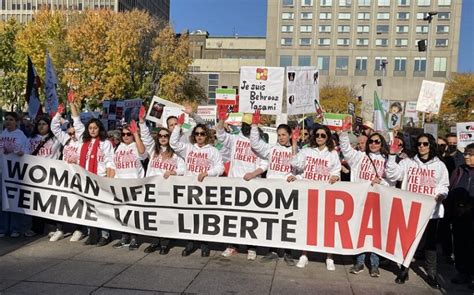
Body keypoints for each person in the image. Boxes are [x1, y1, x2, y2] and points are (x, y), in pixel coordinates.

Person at [386, 133, 449, 288]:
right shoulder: (408, 163)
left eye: (425, 144)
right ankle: (403, 270)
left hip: (430, 212)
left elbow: (444, 185)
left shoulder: (439, 165)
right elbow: (392, 174)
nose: (422, 146)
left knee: (430, 244)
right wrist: (392, 155)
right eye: (419, 144)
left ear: (431, 146)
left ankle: (431, 273)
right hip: (410, 210)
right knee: (407, 241)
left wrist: (441, 195)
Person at [340, 130, 396, 277]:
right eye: (371, 141)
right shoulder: (359, 156)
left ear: (382, 143)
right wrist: (343, 133)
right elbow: (345, 149)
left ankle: (374, 264)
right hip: (361, 200)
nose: (373, 144)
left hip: (378, 200)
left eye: (377, 142)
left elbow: (392, 179)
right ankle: (359, 262)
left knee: (375, 233)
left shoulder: (386, 159)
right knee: (361, 232)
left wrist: (381, 181)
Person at [216, 112, 268, 260]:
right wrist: (221, 120)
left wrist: (253, 173)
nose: (246, 129)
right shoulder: (235, 139)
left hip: (252, 186)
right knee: (233, 217)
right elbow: (220, 135)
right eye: (245, 125)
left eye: (250, 126)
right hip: (234, 185)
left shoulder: (260, 143)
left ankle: (252, 247)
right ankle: (233, 246)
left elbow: (265, 164)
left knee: (250, 218)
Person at [288, 125, 341, 269]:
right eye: (317, 135)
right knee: (306, 225)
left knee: (327, 226)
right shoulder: (307, 151)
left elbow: (336, 172)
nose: (319, 138)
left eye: (323, 135)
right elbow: (296, 164)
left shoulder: (333, 154)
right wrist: (294, 143)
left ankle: (329, 257)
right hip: (308, 194)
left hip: (325, 194)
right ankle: (304, 254)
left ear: (328, 137)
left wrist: (336, 177)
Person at [170, 117, 224, 257]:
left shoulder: (213, 151)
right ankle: (190, 244)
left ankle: (204, 244)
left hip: (205, 190)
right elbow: (173, 143)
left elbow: (220, 168)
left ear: (206, 135)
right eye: (197, 134)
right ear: (194, 136)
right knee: (189, 217)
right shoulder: (188, 148)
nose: (199, 136)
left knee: (203, 218)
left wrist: (208, 173)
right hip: (189, 189)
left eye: (202, 133)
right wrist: (178, 126)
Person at [249, 110, 296, 266]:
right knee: (273, 221)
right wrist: (254, 125)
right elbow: (255, 144)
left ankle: (288, 252)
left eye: (284, 134)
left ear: (290, 135)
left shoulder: (295, 151)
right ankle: (273, 250)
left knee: (288, 222)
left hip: (289, 192)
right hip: (272, 191)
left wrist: (295, 145)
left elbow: (300, 167)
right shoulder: (271, 149)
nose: (281, 137)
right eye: (279, 134)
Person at [139, 110, 185, 255]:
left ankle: (165, 243)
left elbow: (183, 169)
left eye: (166, 136)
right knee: (154, 216)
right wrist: (141, 122)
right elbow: (146, 138)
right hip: (153, 189)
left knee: (165, 216)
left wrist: (174, 172)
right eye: (161, 136)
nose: (163, 138)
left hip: (168, 190)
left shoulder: (177, 153)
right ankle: (155, 242)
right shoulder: (153, 151)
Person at [49, 102, 85, 242]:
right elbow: (54, 127)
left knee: (77, 203)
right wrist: (59, 113)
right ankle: (59, 229)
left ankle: (78, 229)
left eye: (74, 132)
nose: (72, 134)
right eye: (69, 132)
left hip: (77, 176)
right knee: (60, 202)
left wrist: (72, 104)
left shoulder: (81, 141)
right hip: (64, 176)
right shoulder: (67, 140)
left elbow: (77, 122)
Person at [78, 118, 115, 247]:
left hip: (100, 179)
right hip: (85, 179)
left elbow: (110, 161)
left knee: (101, 208)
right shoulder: (84, 143)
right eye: (90, 128)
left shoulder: (105, 143)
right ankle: (91, 234)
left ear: (100, 129)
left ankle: (105, 235)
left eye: (95, 128)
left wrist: (108, 179)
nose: (93, 130)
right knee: (88, 208)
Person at [112, 120, 146, 251]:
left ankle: (134, 238)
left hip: (135, 185)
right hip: (120, 184)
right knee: (122, 213)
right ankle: (124, 237)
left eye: (128, 134)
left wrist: (136, 134)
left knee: (133, 213)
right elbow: (114, 167)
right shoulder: (118, 148)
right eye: (123, 134)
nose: (126, 136)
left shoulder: (136, 146)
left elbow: (143, 154)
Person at [447, 143, 474, 290]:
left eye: (470, 154)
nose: (467, 156)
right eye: (466, 153)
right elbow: (450, 188)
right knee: (459, 244)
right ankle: (462, 272)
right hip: (459, 214)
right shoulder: (460, 171)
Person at [0, 112, 30, 238]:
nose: (8, 122)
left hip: (15, 173)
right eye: (6, 119)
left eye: (11, 119)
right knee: (3, 201)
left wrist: (17, 151)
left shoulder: (21, 136)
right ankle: (3, 228)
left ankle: (15, 228)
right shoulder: (2, 135)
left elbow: (26, 153)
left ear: (16, 122)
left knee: (14, 200)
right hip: (3, 172)